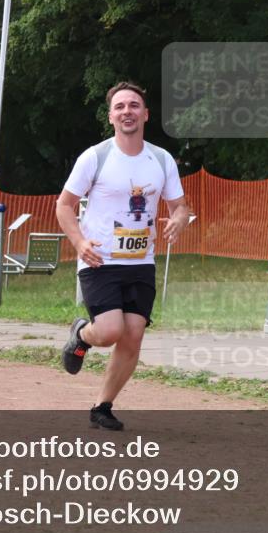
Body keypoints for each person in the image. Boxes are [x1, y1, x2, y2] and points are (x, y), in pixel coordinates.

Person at [56, 82, 190, 431]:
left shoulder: (161, 160)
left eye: (134, 105)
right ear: (111, 116)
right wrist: (79, 242)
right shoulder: (95, 157)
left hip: (141, 262)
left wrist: (178, 220)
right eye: (120, 106)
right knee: (111, 330)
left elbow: (179, 206)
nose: (127, 111)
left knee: (133, 335)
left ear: (145, 114)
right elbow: (64, 205)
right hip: (100, 261)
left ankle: (102, 406)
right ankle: (83, 334)